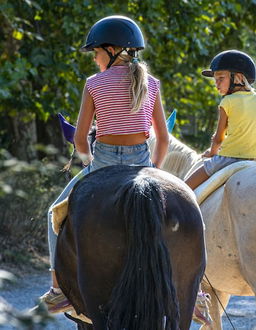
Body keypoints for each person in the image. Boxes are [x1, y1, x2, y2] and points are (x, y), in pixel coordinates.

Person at [39, 15, 169, 314]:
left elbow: (81, 139)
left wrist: (88, 165)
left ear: (111, 51)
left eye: (96, 53)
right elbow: (162, 139)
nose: (96, 60)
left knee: (54, 214)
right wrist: (155, 170)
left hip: (104, 164)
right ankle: (198, 290)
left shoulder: (94, 84)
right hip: (143, 165)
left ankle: (58, 289)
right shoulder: (152, 83)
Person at [185, 50, 256, 190]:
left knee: (183, 188)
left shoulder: (227, 102)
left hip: (229, 158)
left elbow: (218, 138)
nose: (216, 84)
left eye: (221, 78)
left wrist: (211, 153)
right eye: (215, 80)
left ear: (238, 77)